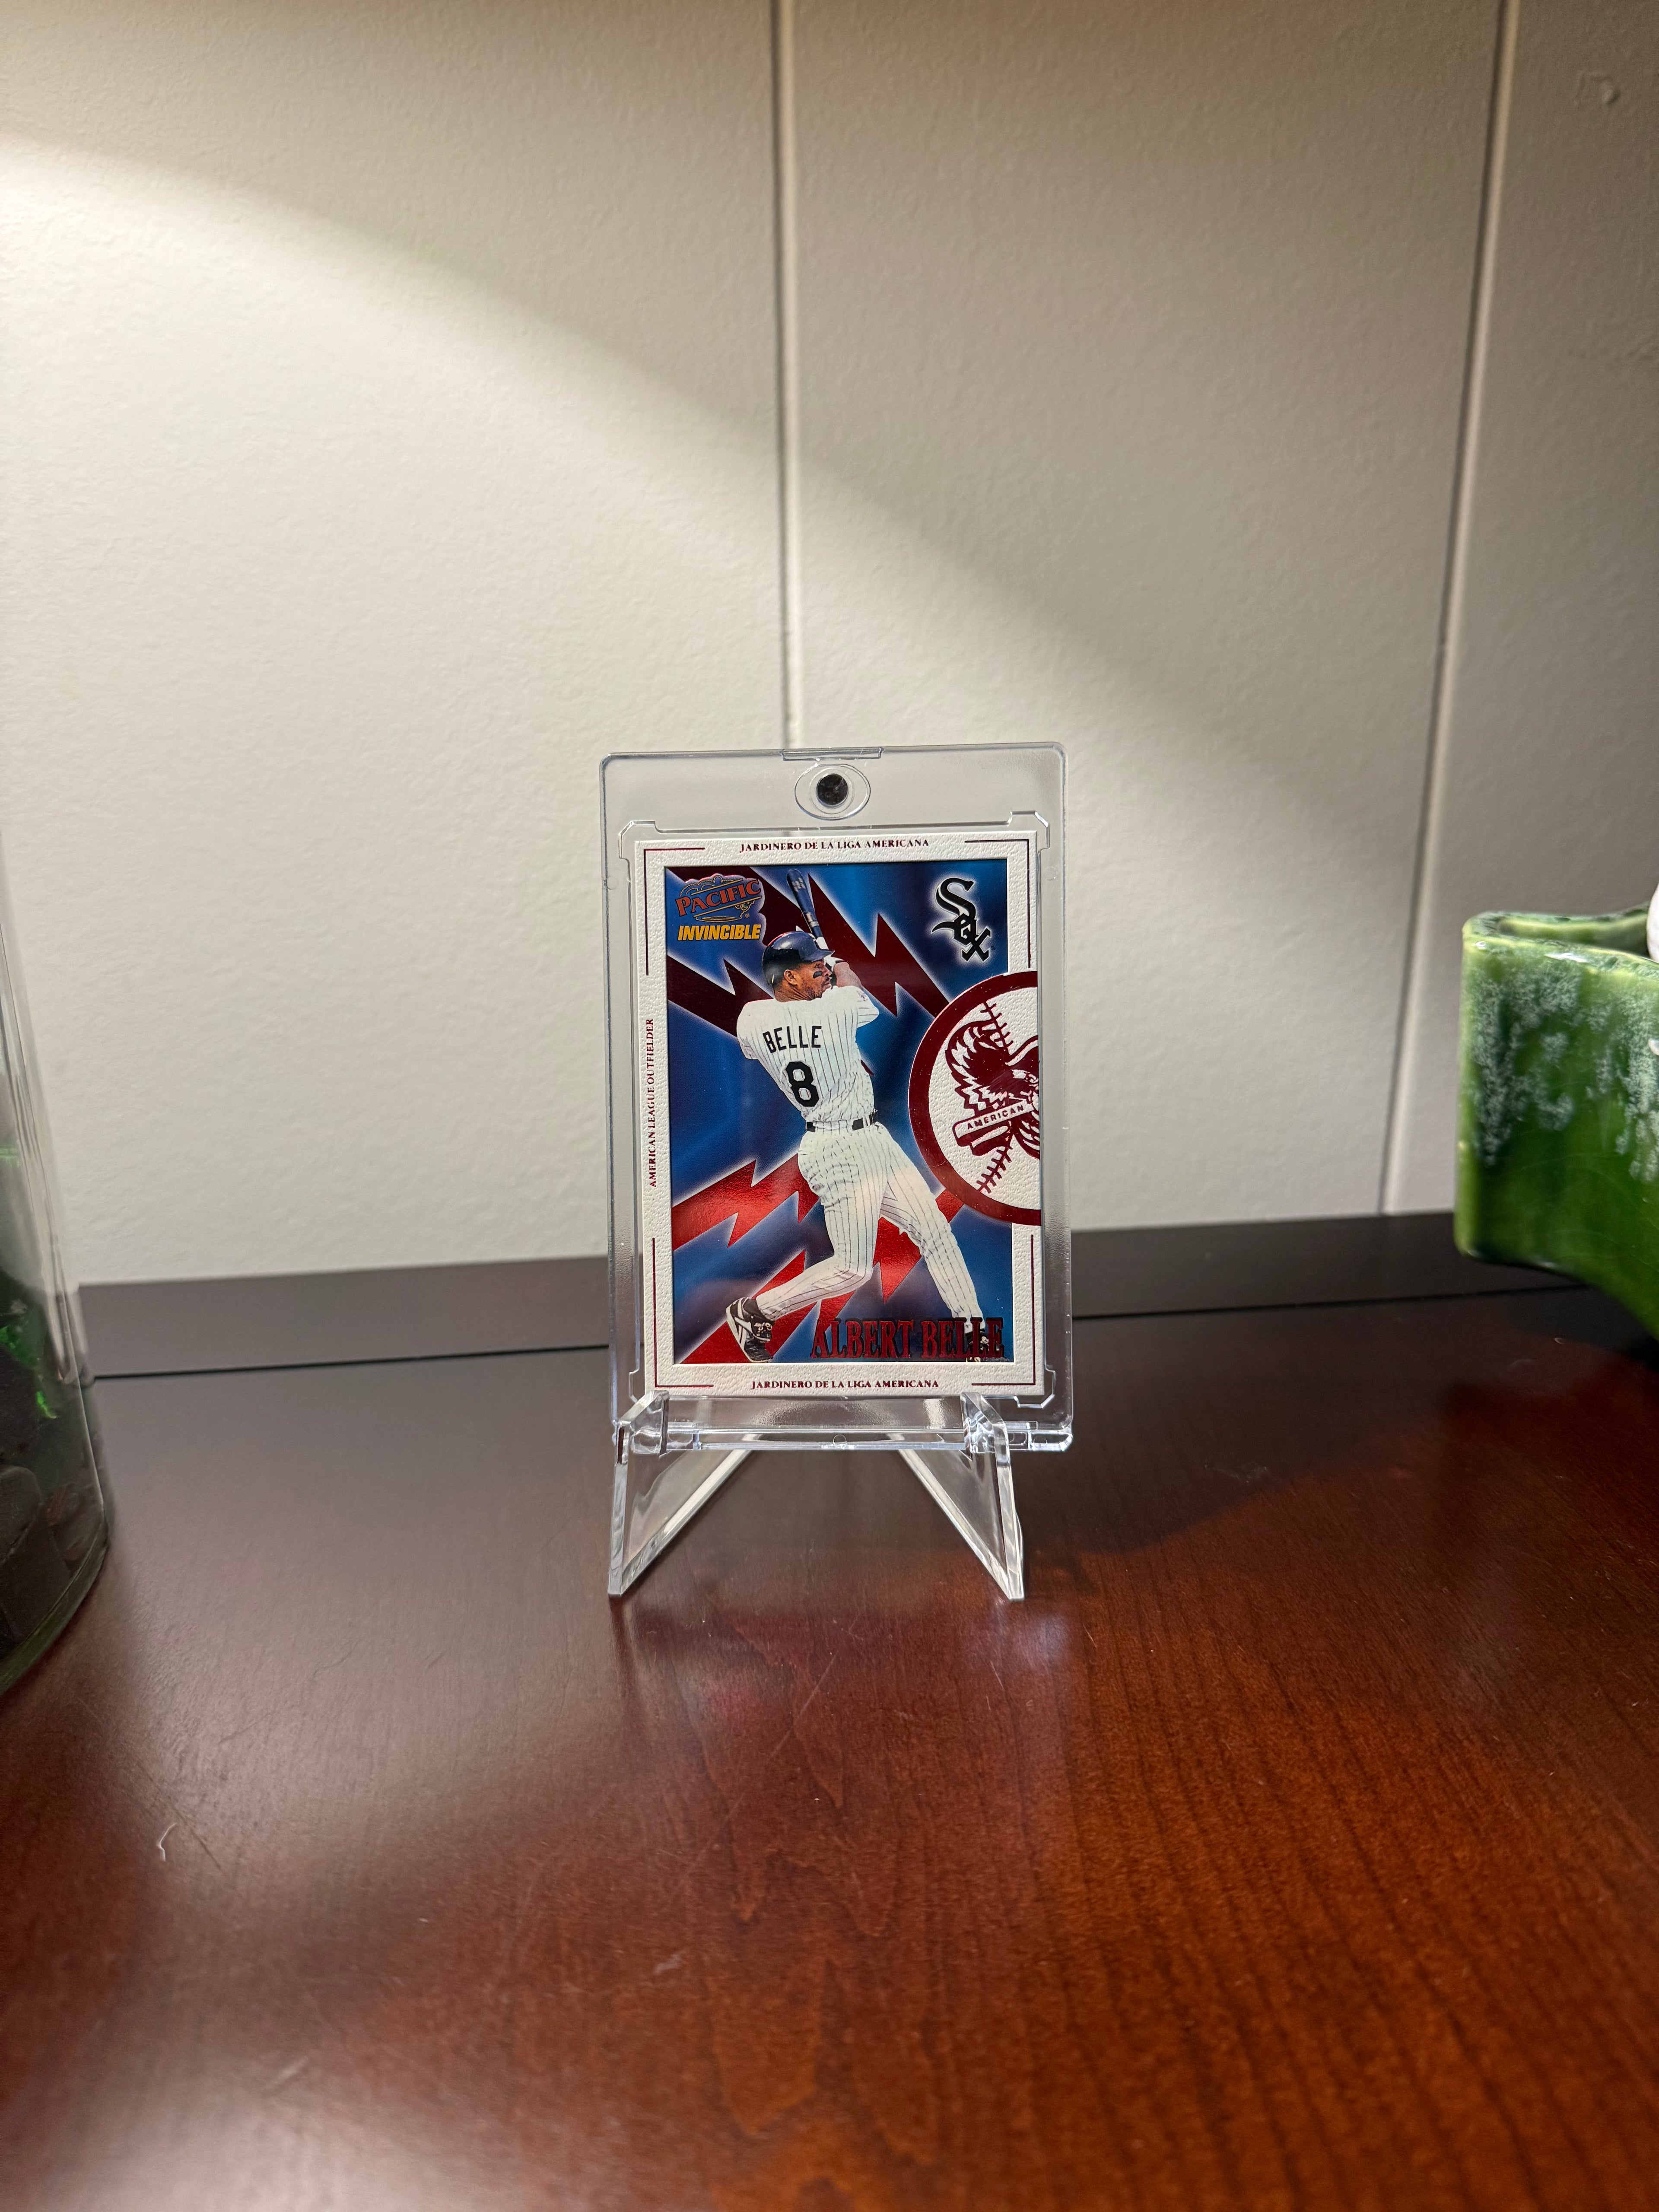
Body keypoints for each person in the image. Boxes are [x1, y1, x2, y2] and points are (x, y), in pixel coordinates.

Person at [725, 931, 981, 1361]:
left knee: (934, 1230)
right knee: (853, 1268)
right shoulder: (838, 1006)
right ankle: (755, 1310)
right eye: (813, 967)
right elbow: (856, 995)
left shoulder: (751, 1017)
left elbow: (758, 1045)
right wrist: (843, 971)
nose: (824, 970)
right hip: (837, 1148)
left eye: (824, 964)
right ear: (788, 977)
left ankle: (975, 1336)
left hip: (870, 1138)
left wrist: (821, 977)